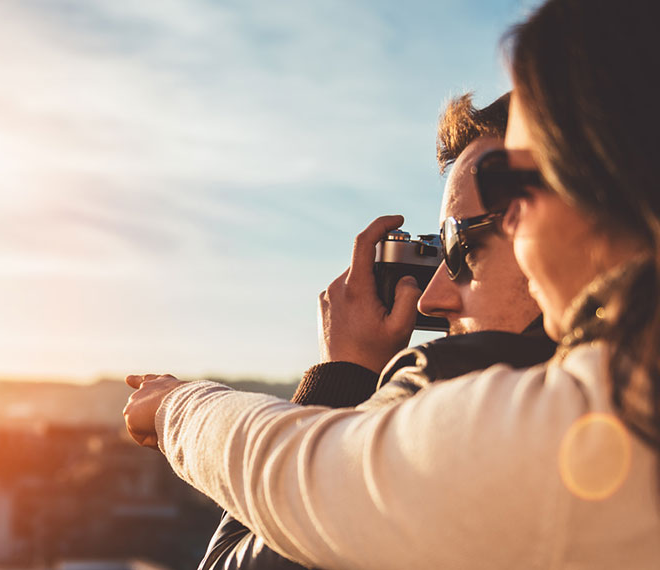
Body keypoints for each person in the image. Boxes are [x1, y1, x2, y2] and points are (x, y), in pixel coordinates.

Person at [123, 0, 660, 567]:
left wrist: (181, 404)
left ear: (606, 183)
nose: (431, 298)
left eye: (466, 244)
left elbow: (300, 479)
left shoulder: (591, 420)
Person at [198, 93, 554, 570]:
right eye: (440, 250)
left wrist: (343, 375)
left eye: (462, 248)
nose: (431, 298)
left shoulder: (462, 447)